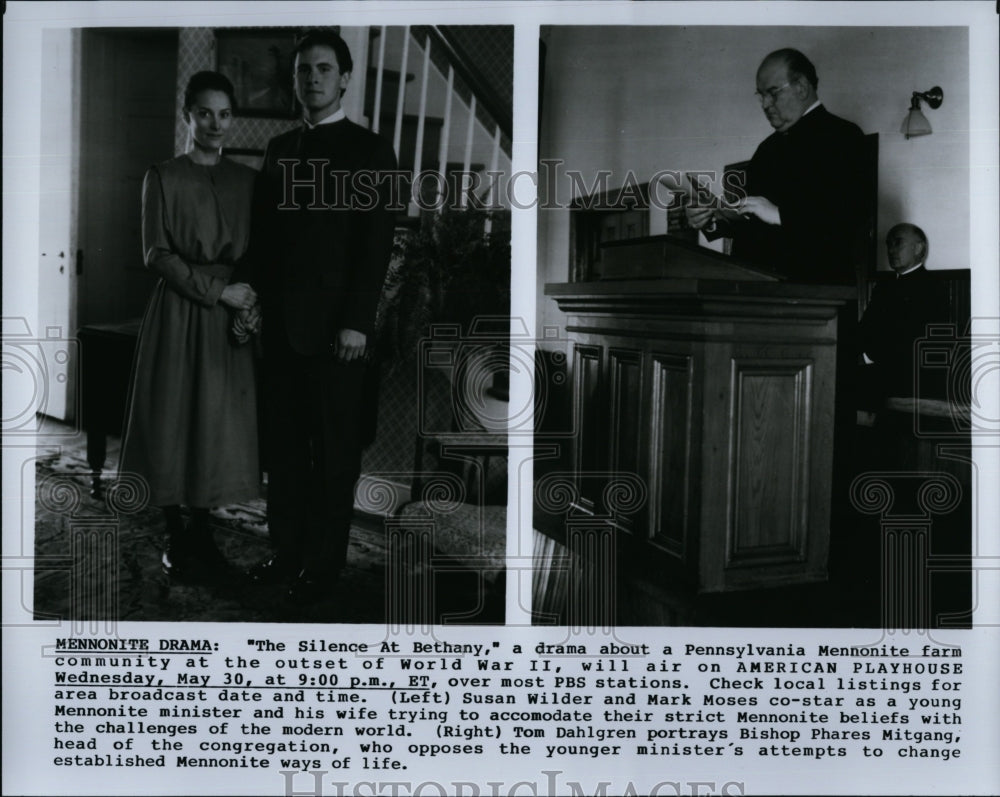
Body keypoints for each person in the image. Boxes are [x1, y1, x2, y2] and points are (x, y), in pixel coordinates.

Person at [246, 30, 398, 604]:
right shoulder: (280, 148)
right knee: (284, 450)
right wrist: (250, 295)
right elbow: (263, 240)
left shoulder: (369, 149)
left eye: (324, 69)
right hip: (282, 329)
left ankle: (323, 565)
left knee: (334, 454)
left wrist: (357, 321)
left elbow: (375, 245)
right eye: (304, 69)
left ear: (344, 78)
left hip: (341, 334)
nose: (312, 78)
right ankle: (285, 551)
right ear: (296, 79)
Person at [121, 71, 261, 583]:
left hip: (227, 320)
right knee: (173, 419)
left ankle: (202, 535)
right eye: (205, 113)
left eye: (224, 114)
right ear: (188, 116)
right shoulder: (162, 175)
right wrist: (216, 291)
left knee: (214, 425)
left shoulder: (247, 180)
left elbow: (256, 257)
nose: (215, 124)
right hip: (180, 312)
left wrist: (246, 302)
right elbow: (155, 252)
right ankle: (177, 536)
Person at [686, 48, 867, 285]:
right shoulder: (766, 150)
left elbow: (848, 220)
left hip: (818, 295)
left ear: (801, 87)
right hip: (761, 292)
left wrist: (779, 214)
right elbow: (754, 228)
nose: (765, 104)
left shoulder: (844, 137)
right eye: (761, 96)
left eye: (773, 93)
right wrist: (711, 219)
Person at [858, 223, 952, 409]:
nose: (891, 250)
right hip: (878, 373)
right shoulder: (884, 287)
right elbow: (865, 328)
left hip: (911, 380)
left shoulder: (932, 288)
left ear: (918, 248)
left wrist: (867, 357)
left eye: (898, 243)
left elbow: (912, 338)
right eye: (889, 244)